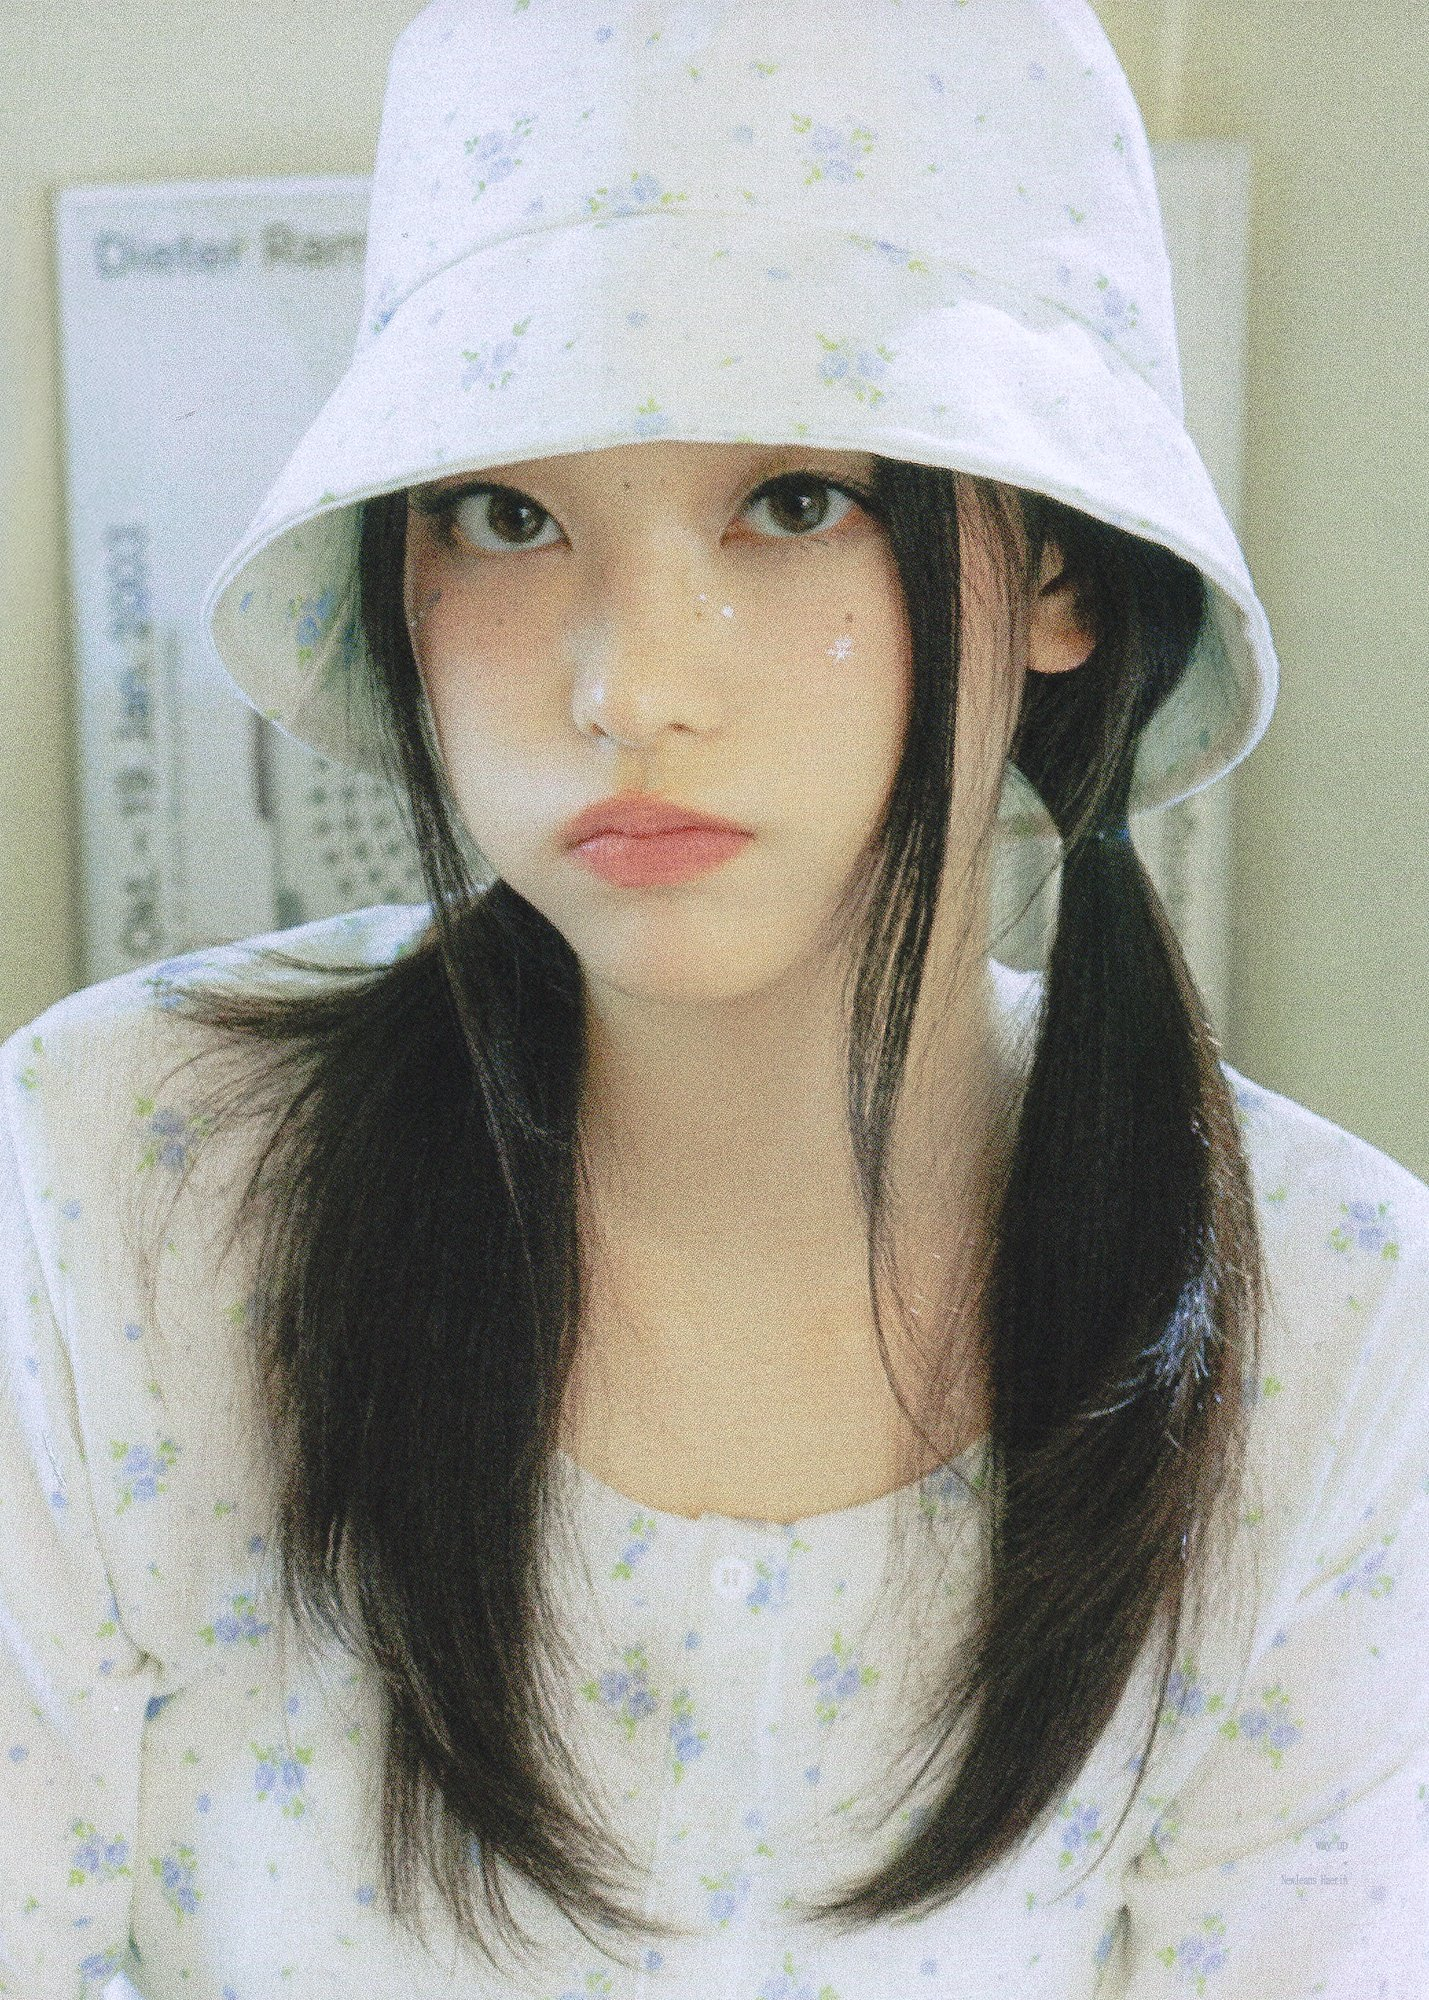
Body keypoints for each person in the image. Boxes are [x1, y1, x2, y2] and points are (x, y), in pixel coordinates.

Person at [3, 2, 1427, 1996]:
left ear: (1060, 579)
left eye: (795, 501)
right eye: (506, 514)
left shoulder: (1338, 1322)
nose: (629, 685)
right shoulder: (115, 1180)